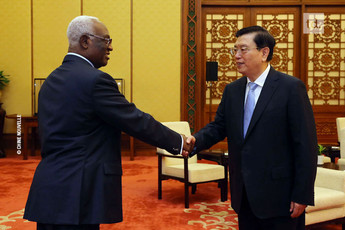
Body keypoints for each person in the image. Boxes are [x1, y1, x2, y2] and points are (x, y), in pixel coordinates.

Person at [23, 15, 193, 230]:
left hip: (49, 188)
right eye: (106, 40)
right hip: (79, 190)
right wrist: (179, 142)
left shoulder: (50, 81)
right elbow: (134, 120)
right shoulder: (95, 80)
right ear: (85, 41)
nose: (111, 47)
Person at [186, 26, 317, 230]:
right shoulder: (233, 90)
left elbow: (306, 145)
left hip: (280, 197)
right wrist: (196, 140)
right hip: (244, 193)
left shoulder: (291, 88)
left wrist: (302, 195)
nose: (236, 56)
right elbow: (219, 126)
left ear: (264, 52)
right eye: (235, 50)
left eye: (243, 49)